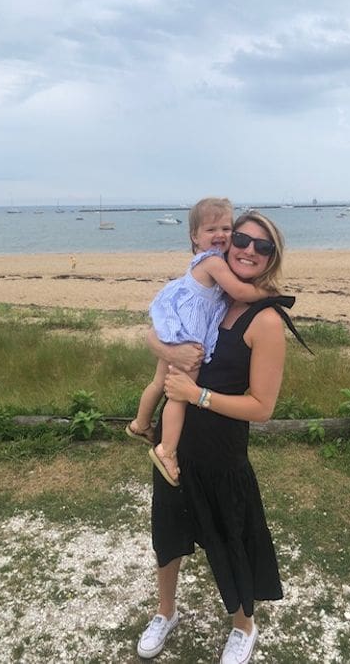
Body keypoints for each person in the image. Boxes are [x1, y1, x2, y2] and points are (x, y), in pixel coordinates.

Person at [137, 210, 306, 663]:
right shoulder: (213, 296)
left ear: (273, 257)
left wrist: (197, 394)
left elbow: (263, 408)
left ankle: (243, 626)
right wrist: (163, 348)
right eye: (242, 240)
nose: (250, 249)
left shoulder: (265, 320)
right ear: (223, 245)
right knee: (168, 532)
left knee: (228, 537)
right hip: (173, 449)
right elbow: (158, 328)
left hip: (221, 452)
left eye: (262, 246)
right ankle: (165, 612)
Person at [126, 198, 270, 487]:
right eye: (211, 229)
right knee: (179, 393)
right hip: (190, 334)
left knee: (158, 383)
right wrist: (264, 294)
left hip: (177, 324)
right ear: (195, 236)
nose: (220, 235)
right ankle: (167, 449)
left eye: (227, 228)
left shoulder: (203, 260)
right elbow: (239, 291)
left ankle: (140, 424)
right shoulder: (214, 261)